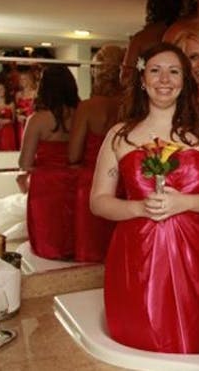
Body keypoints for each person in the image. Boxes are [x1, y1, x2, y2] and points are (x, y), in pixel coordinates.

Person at [90, 43, 199, 353]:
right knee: (144, 333)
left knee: (195, 333)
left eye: (173, 72)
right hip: (137, 252)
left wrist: (186, 203)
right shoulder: (120, 135)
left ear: (184, 81)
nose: (164, 79)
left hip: (196, 252)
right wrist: (138, 207)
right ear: (143, 80)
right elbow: (98, 201)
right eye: (155, 71)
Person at [68, 45, 124, 262]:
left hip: (92, 182)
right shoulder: (130, 106)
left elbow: (73, 154)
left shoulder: (88, 107)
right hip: (122, 182)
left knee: (90, 255)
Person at [20, 65, 80, 259]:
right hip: (75, 179)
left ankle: (50, 249)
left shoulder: (37, 120)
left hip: (46, 182)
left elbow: (25, 162)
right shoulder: (81, 114)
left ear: (43, 87)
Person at [120, 0, 183, 86]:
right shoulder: (185, 33)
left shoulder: (141, 38)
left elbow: (126, 77)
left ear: (151, 6)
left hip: (149, 91)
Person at [0, 80, 17, 151]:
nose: (0, 91)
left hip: (8, 130)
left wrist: (7, 121)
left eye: (1, 89)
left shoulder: (11, 104)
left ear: (5, 91)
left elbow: (14, 120)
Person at [14, 68, 38, 146]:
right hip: (20, 123)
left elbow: (37, 109)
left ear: (29, 80)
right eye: (20, 79)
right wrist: (18, 116)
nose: (22, 81)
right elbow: (16, 109)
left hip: (31, 121)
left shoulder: (35, 93)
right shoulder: (18, 94)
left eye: (24, 79)